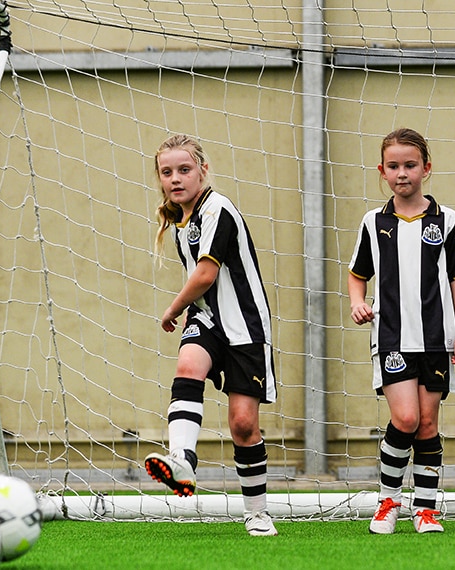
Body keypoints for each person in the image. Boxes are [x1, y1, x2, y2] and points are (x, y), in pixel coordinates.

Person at [143, 134, 279, 537]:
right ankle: (182, 459)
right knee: (188, 366)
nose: (175, 178)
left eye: (184, 170)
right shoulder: (180, 219)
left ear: (203, 170)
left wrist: (172, 308)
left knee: (242, 426)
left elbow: (206, 274)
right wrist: (188, 314)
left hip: (244, 327)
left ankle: (257, 513)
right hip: (206, 321)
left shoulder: (217, 208)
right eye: (167, 172)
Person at [349, 128, 455, 535]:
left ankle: (425, 509)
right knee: (404, 418)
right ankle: (387, 502)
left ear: (426, 168)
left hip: (436, 339)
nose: (402, 173)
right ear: (382, 172)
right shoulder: (373, 222)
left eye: (410, 165)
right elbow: (357, 275)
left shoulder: (446, 219)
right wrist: (357, 301)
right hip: (391, 337)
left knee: (427, 424)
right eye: (394, 166)